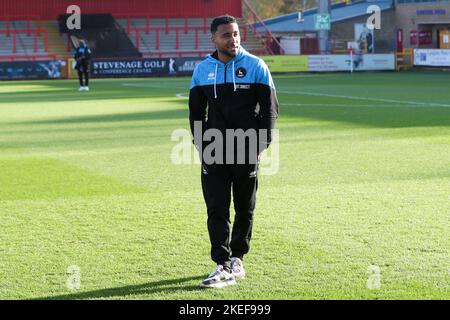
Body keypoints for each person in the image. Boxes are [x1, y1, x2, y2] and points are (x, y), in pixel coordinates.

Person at [189, 15, 279, 288]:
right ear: (213, 39)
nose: (234, 39)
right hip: (214, 149)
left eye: (236, 34)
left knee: (244, 207)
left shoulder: (256, 66)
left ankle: (237, 258)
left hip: (246, 148)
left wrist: (261, 145)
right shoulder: (202, 69)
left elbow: (270, 111)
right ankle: (222, 262)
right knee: (216, 207)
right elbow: (195, 113)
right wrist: (201, 144)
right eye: (227, 35)